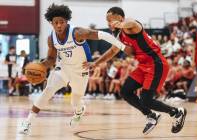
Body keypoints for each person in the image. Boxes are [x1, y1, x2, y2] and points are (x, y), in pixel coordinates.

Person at [19, 4, 126, 134]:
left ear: (67, 21)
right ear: (51, 23)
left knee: (75, 101)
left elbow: (102, 34)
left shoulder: (77, 33)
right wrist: (41, 66)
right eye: (55, 22)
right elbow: (51, 59)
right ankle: (28, 122)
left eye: (61, 22)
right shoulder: (51, 38)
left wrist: (121, 46)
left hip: (80, 70)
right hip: (63, 68)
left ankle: (79, 110)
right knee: (47, 91)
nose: (58, 25)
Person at [83, 7, 187, 135]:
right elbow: (112, 52)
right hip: (143, 66)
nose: (108, 23)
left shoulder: (131, 26)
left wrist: (121, 23)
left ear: (120, 18)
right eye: (107, 20)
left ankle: (177, 112)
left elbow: (132, 23)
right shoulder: (120, 36)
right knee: (125, 91)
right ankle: (151, 115)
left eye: (110, 20)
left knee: (146, 99)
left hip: (156, 64)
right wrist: (95, 63)